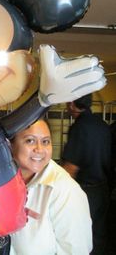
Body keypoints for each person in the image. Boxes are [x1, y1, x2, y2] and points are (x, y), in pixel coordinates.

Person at [10, 118, 92, 255]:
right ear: (10, 145)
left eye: (45, 142)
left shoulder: (65, 191)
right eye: (30, 140)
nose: (39, 149)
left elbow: (76, 251)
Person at [61, 94, 112, 255]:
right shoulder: (103, 125)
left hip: (85, 192)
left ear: (71, 104)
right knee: (99, 234)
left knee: (81, 234)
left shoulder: (79, 127)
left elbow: (70, 169)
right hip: (103, 188)